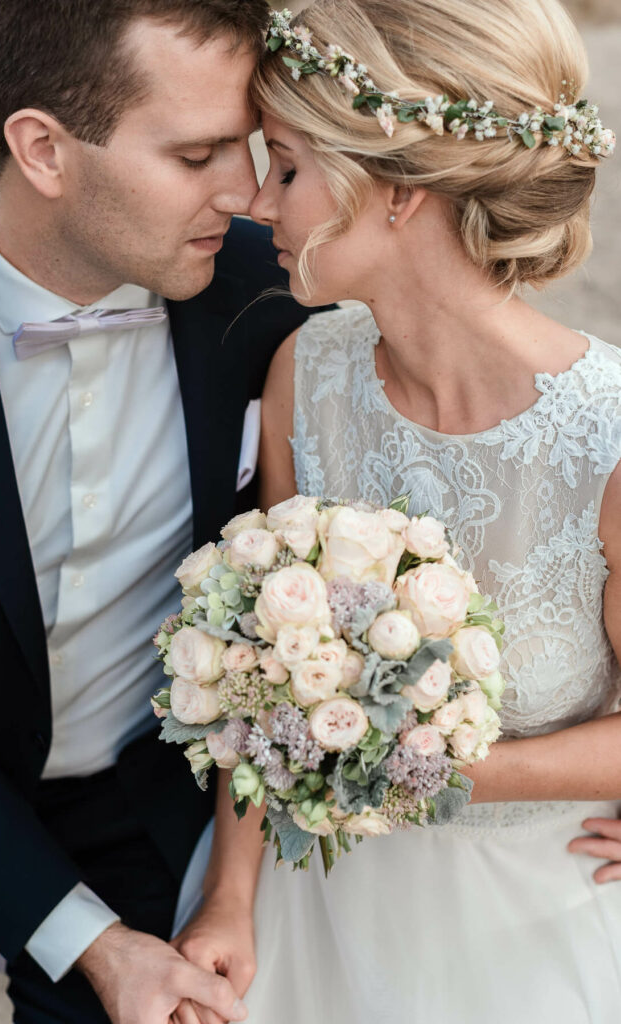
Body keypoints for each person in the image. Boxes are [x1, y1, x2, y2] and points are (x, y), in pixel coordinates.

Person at [172, 1, 621, 1020]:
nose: (253, 201)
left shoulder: (609, 439)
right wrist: (228, 900)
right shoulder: (306, 374)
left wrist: (413, 766)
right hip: (308, 898)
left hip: (531, 927)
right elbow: (259, 675)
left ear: (395, 191)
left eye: (284, 166)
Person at [0, 1, 325, 1021]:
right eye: (197, 154)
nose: (243, 190)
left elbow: (487, 412)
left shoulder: (273, 297)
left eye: (245, 148)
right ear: (44, 150)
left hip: (145, 803)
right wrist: (88, 944)